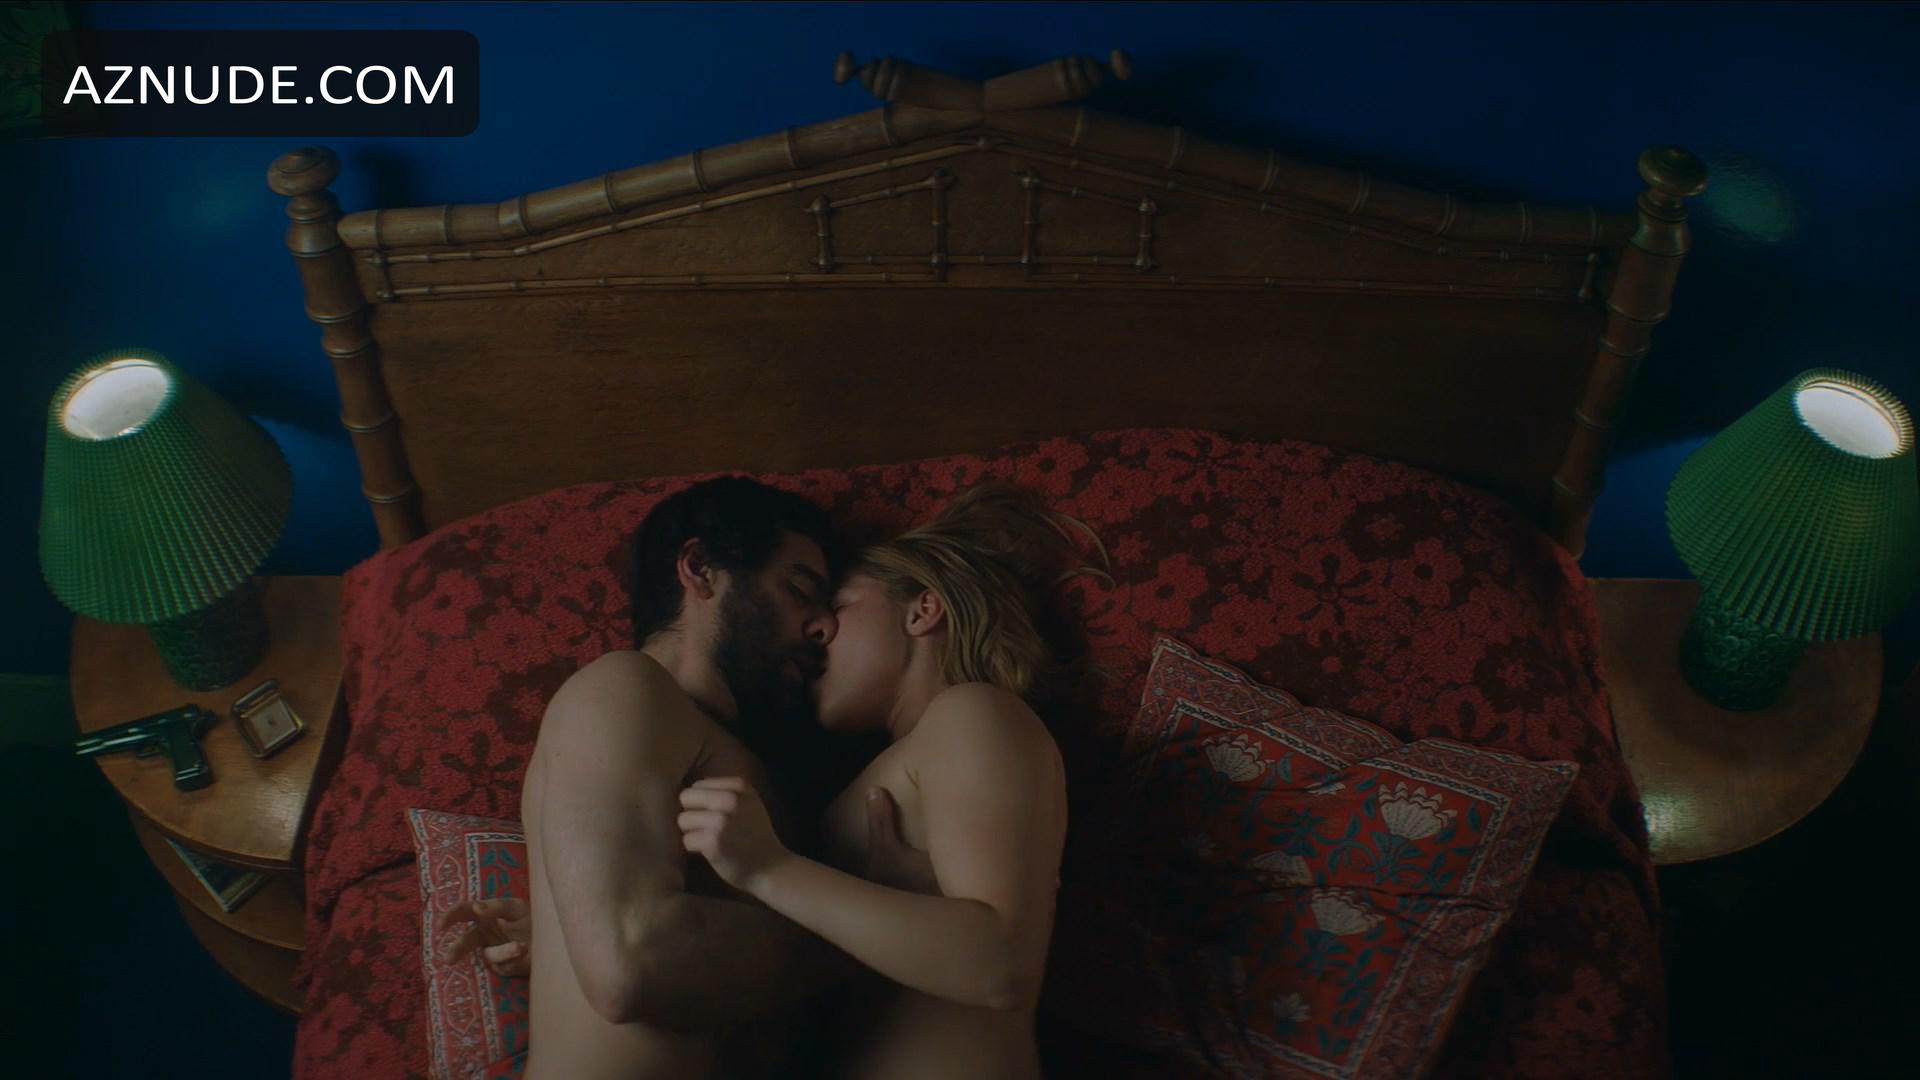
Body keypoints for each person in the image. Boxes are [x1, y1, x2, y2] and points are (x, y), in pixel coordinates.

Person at [443, 480, 1101, 1079]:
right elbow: (629, 965)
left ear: (924, 612)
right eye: (800, 588)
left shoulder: (940, 729)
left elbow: (985, 959)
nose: (820, 626)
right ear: (700, 569)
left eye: (834, 602)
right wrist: (570, 929)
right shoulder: (625, 686)